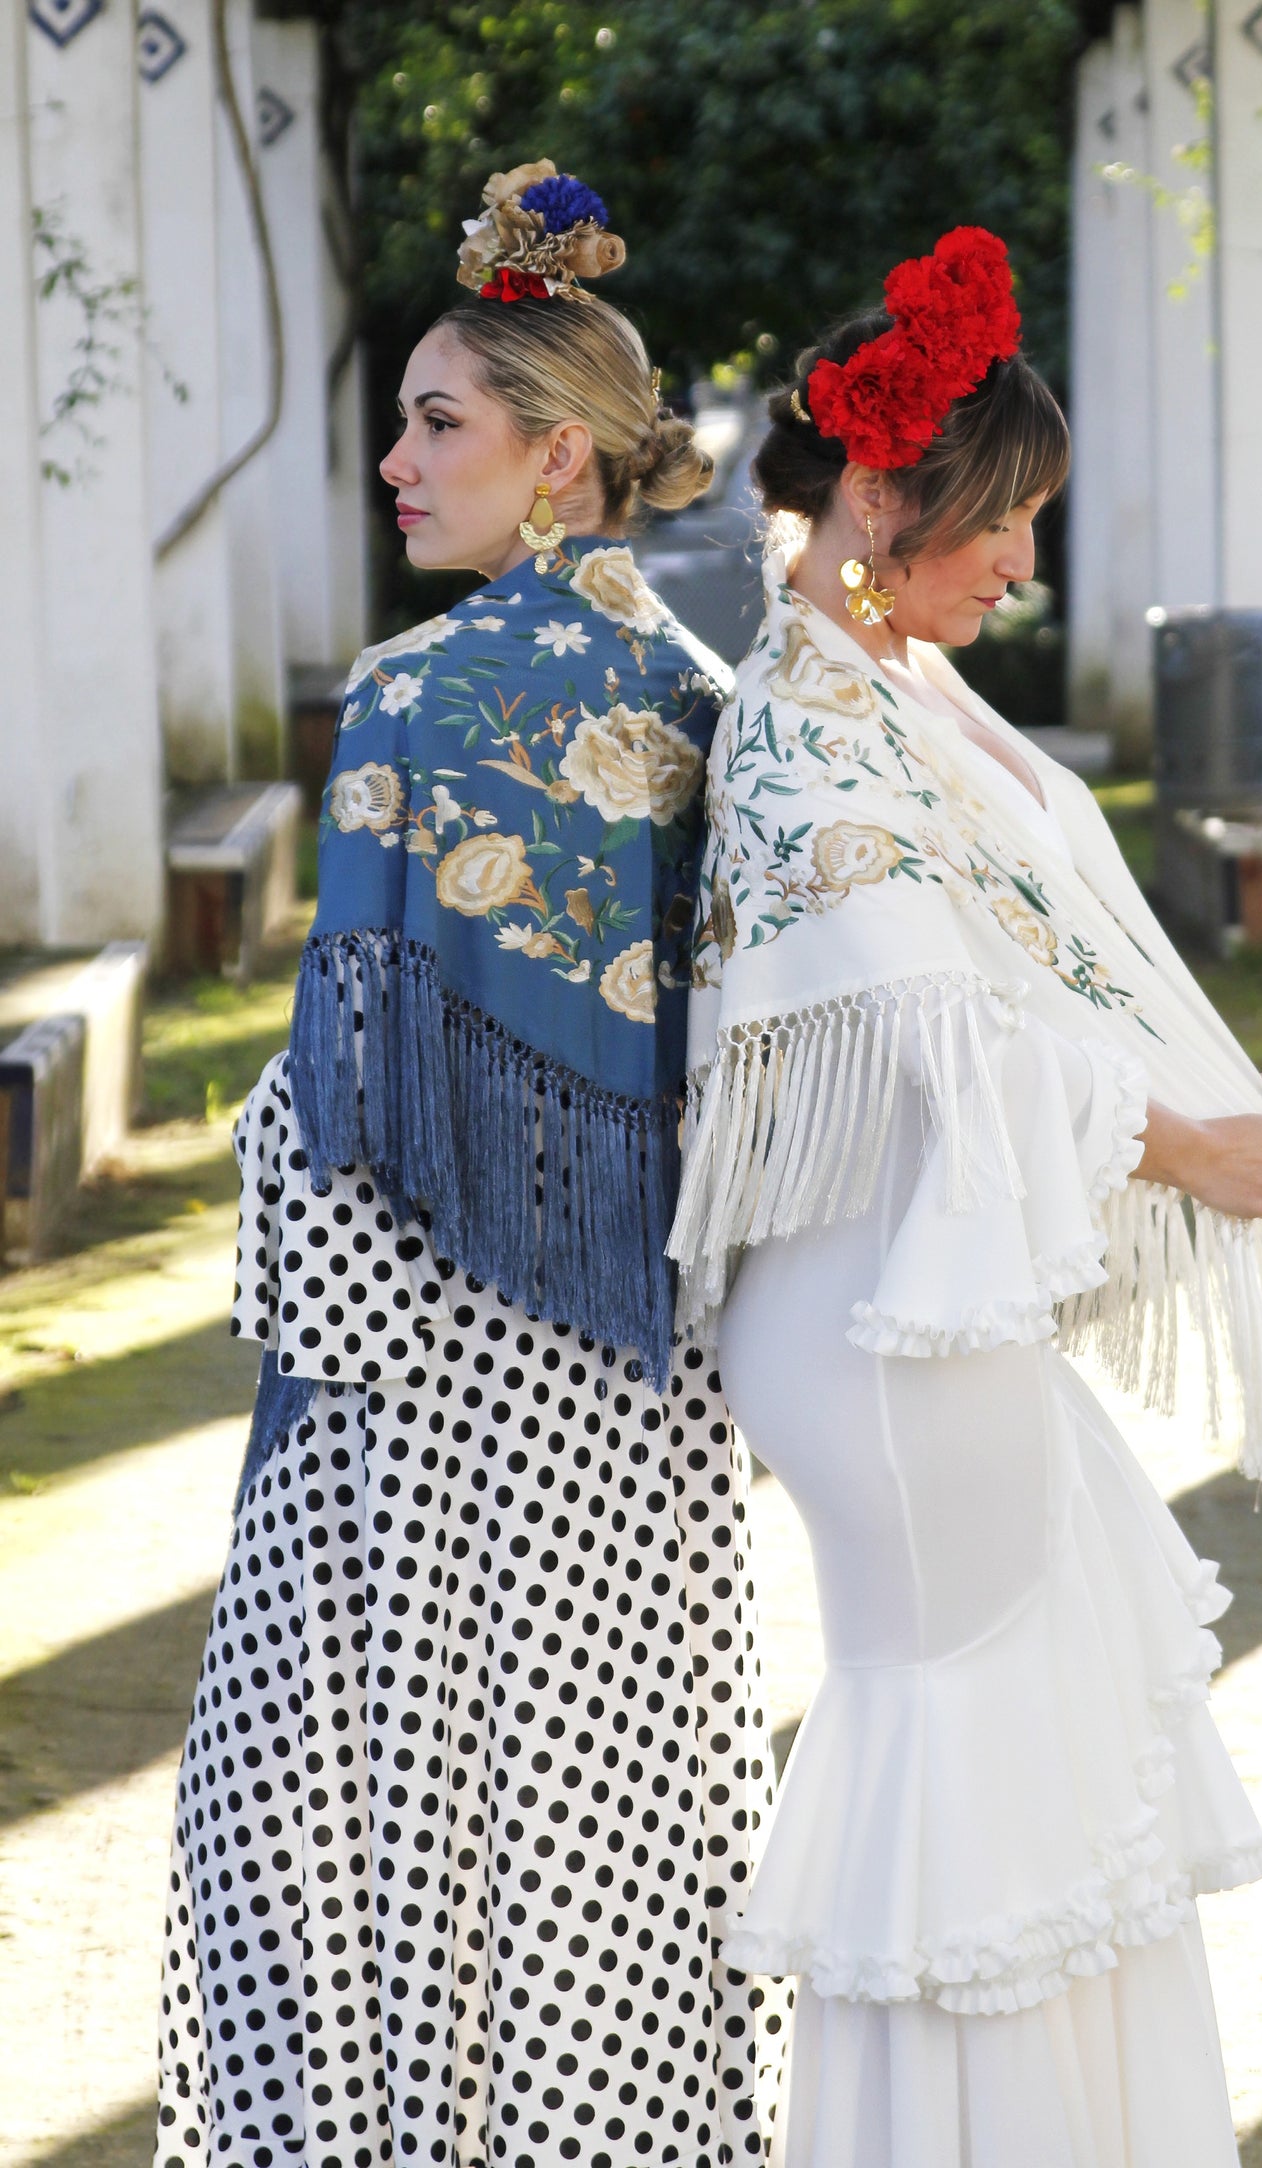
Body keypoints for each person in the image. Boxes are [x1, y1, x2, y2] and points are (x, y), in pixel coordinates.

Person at [665, 226, 1262, 2166]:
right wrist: (1191, 1146)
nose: (1026, 567)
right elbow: (949, 1032)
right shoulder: (805, 720)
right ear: (883, 492)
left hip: (914, 1302)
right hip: (882, 1332)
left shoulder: (885, 685)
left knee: (1037, 1793)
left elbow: (1029, 968)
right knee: (982, 1796)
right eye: (1006, 521)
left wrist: (1204, 1095)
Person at [155, 161, 781, 2168]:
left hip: (416, 1430)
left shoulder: (417, 702)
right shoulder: (715, 713)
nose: (392, 459)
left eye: (441, 422)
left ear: (568, 459)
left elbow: (345, 1150)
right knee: (615, 1890)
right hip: (645, 1415)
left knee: (383, 1905)